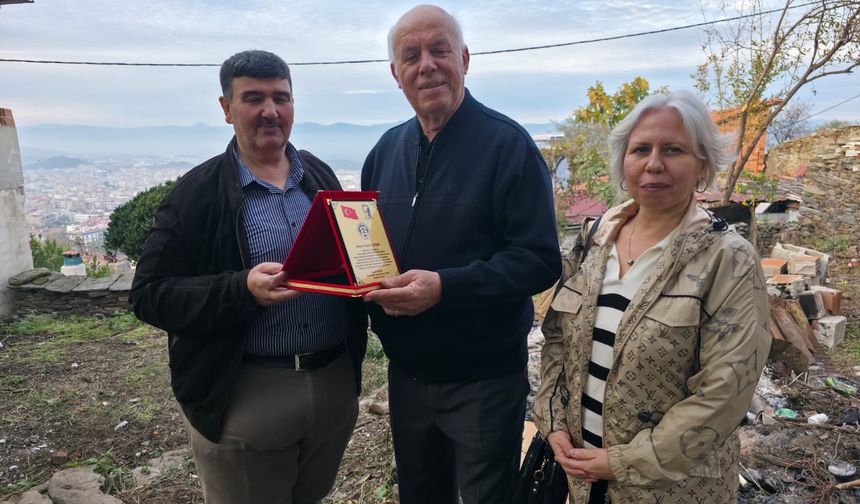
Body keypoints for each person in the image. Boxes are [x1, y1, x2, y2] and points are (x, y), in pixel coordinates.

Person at [129, 50, 366, 504]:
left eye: (281, 97)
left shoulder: (319, 176)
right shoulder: (196, 193)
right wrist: (240, 290)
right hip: (245, 391)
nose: (270, 111)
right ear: (226, 109)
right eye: (253, 98)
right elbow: (149, 295)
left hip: (333, 383)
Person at [361, 5, 562, 503]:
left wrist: (444, 289)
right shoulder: (384, 153)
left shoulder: (508, 147)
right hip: (406, 374)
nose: (426, 64)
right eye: (411, 55)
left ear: (465, 59)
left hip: (484, 380)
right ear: (396, 75)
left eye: (439, 50)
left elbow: (539, 260)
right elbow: (368, 252)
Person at [534, 90, 771, 504]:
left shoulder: (726, 259)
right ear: (623, 163)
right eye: (640, 149)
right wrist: (553, 421)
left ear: (702, 165)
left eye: (674, 149)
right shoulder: (593, 241)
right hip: (585, 478)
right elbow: (556, 338)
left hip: (677, 488)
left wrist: (625, 462)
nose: (654, 163)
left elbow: (725, 391)